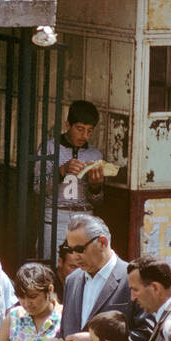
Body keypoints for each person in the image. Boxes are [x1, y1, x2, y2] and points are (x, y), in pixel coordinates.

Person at [36, 100, 106, 256]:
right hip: (56, 218)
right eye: (80, 129)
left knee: (82, 268)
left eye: (89, 131)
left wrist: (96, 187)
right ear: (68, 125)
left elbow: (98, 201)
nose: (84, 136)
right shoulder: (49, 148)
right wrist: (61, 171)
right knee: (52, 267)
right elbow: (38, 188)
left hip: (85, 218)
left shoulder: (95, 155)